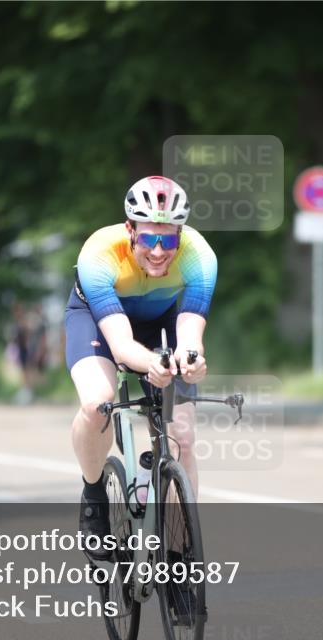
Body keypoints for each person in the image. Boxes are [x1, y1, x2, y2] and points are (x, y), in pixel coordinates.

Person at [66, 175, 217, 556]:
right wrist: (153, 362)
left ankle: (181, 555)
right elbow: (120, 345)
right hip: (98, 319)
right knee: (96, 402)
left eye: (168, 240)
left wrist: (190, 361)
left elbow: (191, 335)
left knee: (182, 435)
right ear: (130, 229)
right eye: (149, 238)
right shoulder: (99, 253)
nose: (158, 251)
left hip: (159, 319)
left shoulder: (200, 256)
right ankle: (94, 491)